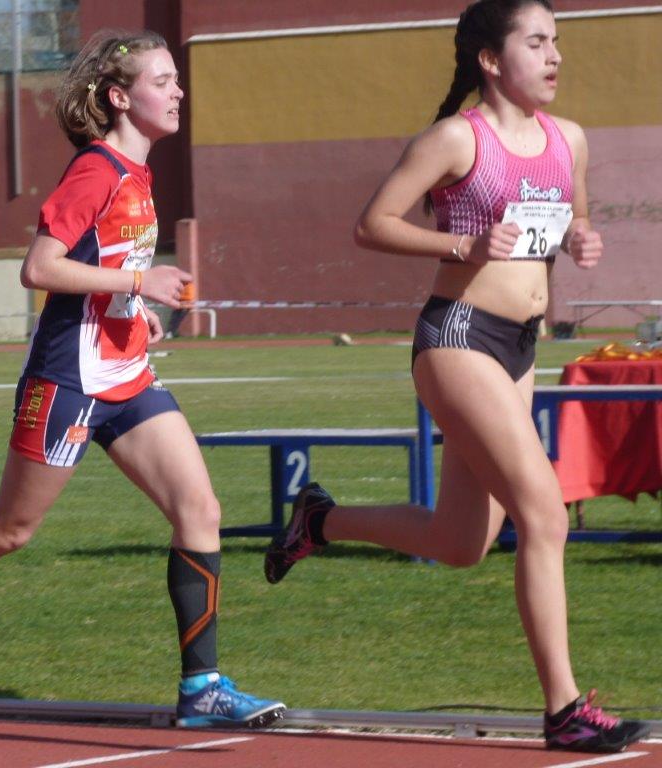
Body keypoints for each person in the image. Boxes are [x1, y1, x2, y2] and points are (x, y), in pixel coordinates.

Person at [0, 29, 285, 728]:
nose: (178, 92)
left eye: (176, 80)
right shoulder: (96, 170)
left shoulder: (139, 173)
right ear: (120, 97)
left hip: (128, 375)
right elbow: (39, 268)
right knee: (9, 530)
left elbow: (103, 266)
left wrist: (136, 311)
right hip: (68, 380)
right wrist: (138, 283)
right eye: (162, 81)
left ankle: (202, 687)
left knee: (200, 511)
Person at [264, 0, 649, 754]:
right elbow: (372, 224)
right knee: (545, 513)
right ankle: (565, 709)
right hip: (459, 337)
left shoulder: (568, 139)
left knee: (461, 541)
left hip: (519, 347)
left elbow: (571, 218)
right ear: (491, 60)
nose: (555, 56)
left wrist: (581, 238)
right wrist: (461, 245)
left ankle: (320, 521)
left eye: (557, 42)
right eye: (537, 42)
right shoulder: (455, 139)